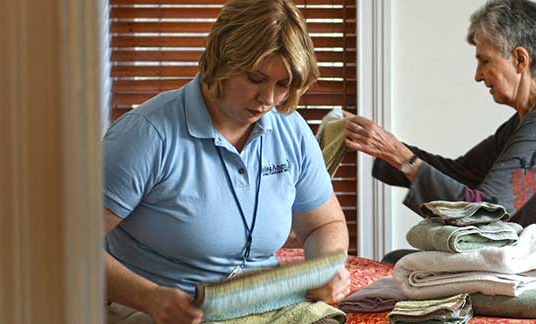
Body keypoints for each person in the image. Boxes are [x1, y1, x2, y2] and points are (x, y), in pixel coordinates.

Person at [102, 1, 350, 323]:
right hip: (160, 311)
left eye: (283, 84)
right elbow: (65, 248)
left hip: (268, 307)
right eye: (255, 78)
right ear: (220, 60)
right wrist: (148, 297)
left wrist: (327, 269)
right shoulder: (146, 135)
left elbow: (324, 224)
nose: (269, 99)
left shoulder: (291, 129)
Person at [345, 0, 536, 279]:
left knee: (397, 264)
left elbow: (484, 212)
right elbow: (463, 173)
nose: (478, 75)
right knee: (398, 261)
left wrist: (401, 157)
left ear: (520, 59)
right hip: (529, 268)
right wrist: (385, 147)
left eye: (485, 61)